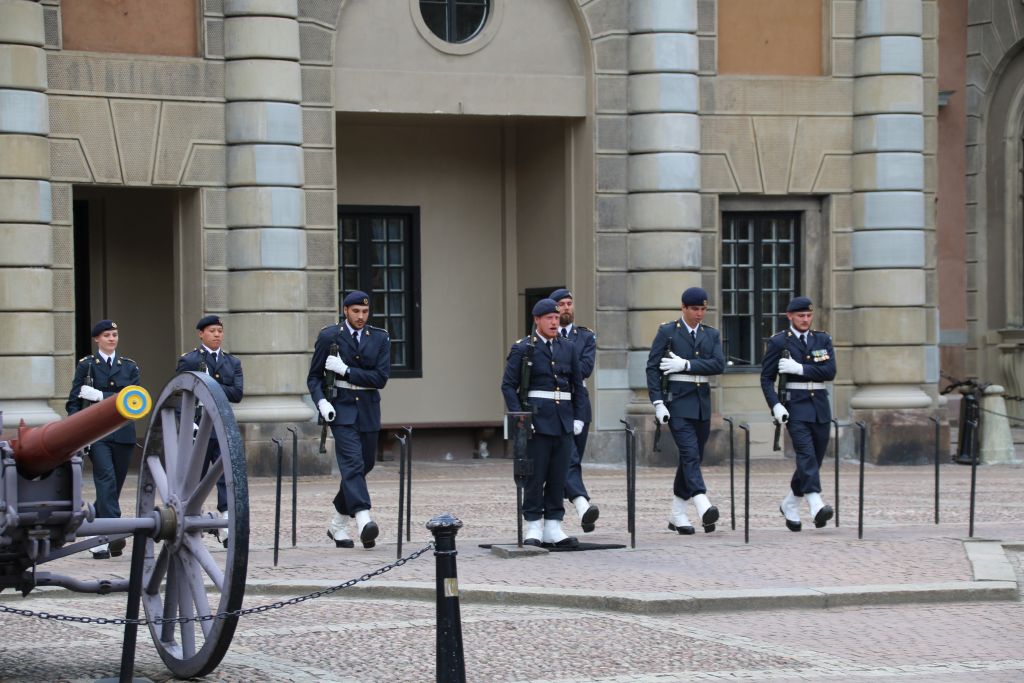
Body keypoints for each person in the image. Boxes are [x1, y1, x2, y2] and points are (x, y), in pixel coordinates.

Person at [307, 290, 390, 549]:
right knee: (352, 464)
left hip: (368, 408)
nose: (361, 316)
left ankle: (337, 525)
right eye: (356, 311)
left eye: (365, 311)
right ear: (345, 311)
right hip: (341, 409)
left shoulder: (380, 337)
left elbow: (380, 378)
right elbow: (314, 377)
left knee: (365, 464)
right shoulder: (329, 336)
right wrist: (321, 402)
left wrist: (346, 370)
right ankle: (364, 520)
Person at [501, 298, 586, 547]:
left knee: (558, 475)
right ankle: (534, 525)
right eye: (549, 318)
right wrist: (521, 417)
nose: (554, 322)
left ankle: (553, 526)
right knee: (535, 476)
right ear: (537, 320)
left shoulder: (568, 348)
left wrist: (578, 417)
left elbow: (577, 386)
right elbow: (508, 385)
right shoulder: (523, 348)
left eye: (556, 318)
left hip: (563, 421)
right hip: (537, 421)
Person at [645, 287, 725, 535]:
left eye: (702, 309)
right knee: (690, 454)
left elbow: (718, 364)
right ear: (684, 308)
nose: (699, 313)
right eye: (695, 309)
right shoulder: (668, 332)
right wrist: (658, 402)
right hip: (677, 403)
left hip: (701, 405)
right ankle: (702, 503)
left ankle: (677, 514)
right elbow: (652, 368)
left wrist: (687, 364)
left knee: (692, 458)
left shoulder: (710, 334)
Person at [760, 296, 836, 531]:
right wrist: (775, 405)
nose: (805, 319)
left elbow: (830, 371)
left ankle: (790, 504)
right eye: (801, 315)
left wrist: (800, 368)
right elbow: (766, 378)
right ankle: (816, 504)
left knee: (815, 460)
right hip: (795, 406)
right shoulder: (779, 342)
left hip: (820, 405)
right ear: (790, 316)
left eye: (809, 315)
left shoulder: (822, 339)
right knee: (806, 455)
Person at [66, 320, 140, 559]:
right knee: (106, 480)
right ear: (97, 339)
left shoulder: (129, 366)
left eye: (114, 335)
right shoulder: (86, 366)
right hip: (97, 434)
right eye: (107, 335)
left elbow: (134, 398)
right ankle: (111, 534)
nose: (111, 339)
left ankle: (95, 531)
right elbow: (74, 402)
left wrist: (100, 395)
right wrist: (77, 431)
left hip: (123, 433)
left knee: (114, 486)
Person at [176, 314, 243, 546]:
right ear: (201, 334)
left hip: (221, 424)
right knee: (196, 477)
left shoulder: (232, 362)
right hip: (198, 424)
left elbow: (237, 393)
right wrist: (187, 423)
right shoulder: (189, 360)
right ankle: (192, 520)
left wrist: (209, 384)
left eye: (219, 331)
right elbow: (180, 394)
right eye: (212, 331)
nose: (217, 335)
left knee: (225, 477)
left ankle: (226, 523)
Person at [549, 287, 600, 533]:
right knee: (568, 457)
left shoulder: (586, 336)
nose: (566, 307)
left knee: (571, 459)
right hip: (556, 404)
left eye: (569, 303)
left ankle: (553, 517)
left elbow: (586, 369)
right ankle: (582, 505)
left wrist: (559, 367)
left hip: (579, 404)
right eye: (561, 304)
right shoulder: (545, 337)